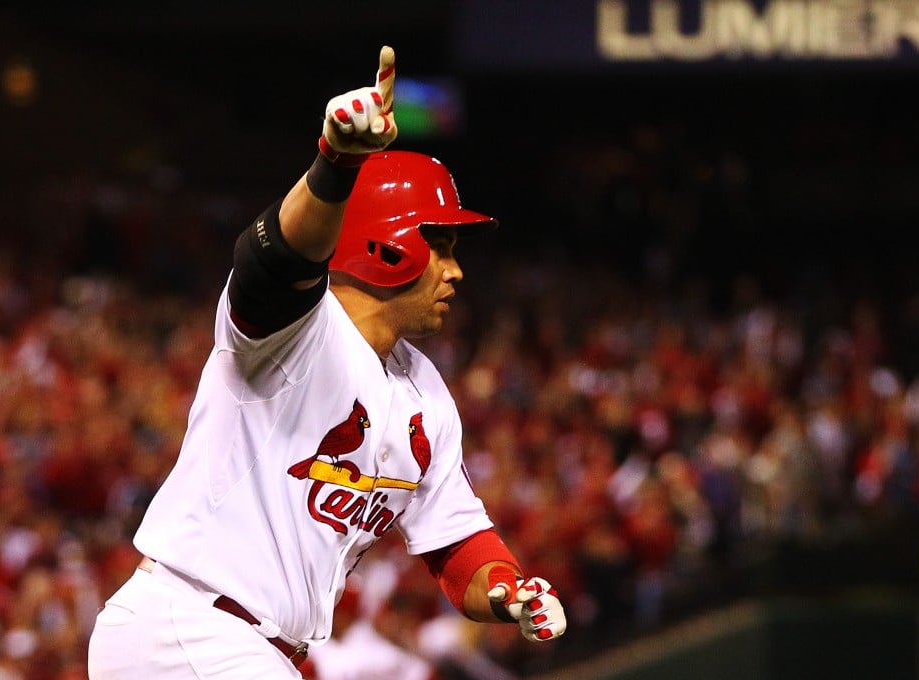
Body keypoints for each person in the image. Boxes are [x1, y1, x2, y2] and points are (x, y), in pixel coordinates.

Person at [87, 45, 566, 679]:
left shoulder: (425, 392)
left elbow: (457, 548)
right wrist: (335, 164)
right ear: (386, 242)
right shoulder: (299, 330)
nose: (456, 269)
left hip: (246, 647)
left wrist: (507, 590)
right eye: (441, 244)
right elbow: (273, 262)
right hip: (190, 626)